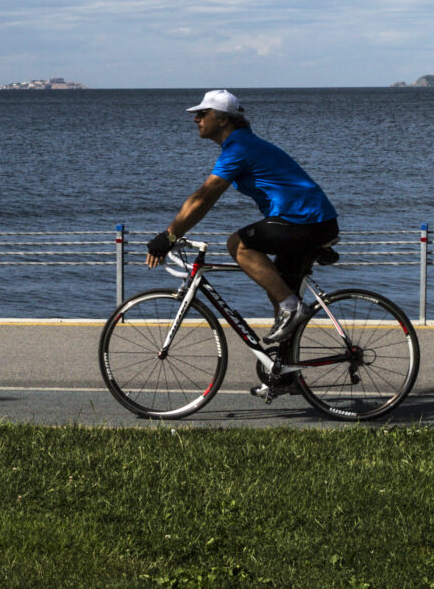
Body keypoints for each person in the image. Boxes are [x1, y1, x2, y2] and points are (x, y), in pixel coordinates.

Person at [146, 90, 340, 389]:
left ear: (223, 119)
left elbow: (204, 197)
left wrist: (170, 235)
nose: (196, 119)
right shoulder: (242, 144)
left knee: (238, 244)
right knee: (276, 287)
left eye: (203, 113)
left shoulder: (239, 148)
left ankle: (292, 309)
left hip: (305, 221)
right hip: (313, 221)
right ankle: (284, 372)